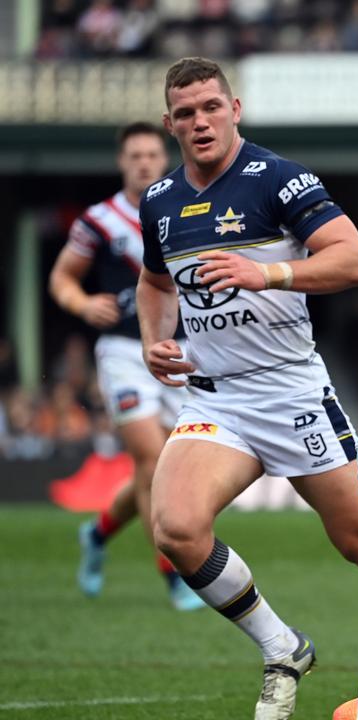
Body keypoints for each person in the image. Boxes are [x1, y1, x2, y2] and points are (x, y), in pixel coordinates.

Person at [136, 57, 358, 720]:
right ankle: (283, 647)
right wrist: (152, 339)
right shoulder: (161, 200)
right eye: (185, 113)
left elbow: (357, 260)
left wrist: (270, 275)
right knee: (175, 526)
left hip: (289, 390)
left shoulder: (277, 180)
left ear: (235, 109)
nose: (199, 122)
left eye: (210, 107)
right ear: (172, 123)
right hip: (216, 399)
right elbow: (154, 281)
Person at [48, 121, 203, 611]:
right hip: (122, 350)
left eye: (151, 155)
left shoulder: (189, 210)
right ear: (122, 162)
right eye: (134, 156)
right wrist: (81, 303)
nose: (143, 163)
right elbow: (62, 278)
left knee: (165, 469)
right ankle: (175, 574)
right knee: (151, 460)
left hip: (182, 350)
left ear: (165, 159)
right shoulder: (98, 220)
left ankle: (96, 534)